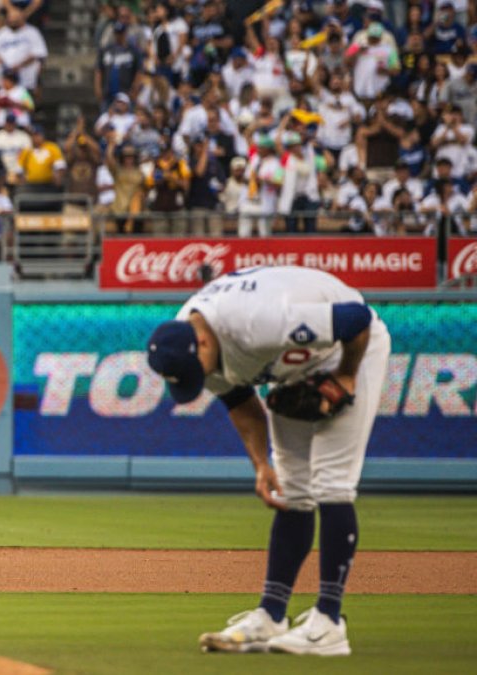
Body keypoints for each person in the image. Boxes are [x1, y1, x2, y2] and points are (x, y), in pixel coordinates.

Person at [147, 266, 390, 657]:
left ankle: (329, 623)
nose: (197, 378)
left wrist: (346, 375)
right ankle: (272, 614)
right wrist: (261, 463)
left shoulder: (257, 322)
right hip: (290, 364)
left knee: (331, 484)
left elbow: (356, 320)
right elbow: (241, 405)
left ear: (204, 342)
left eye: (196, 371)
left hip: (347, 347)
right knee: (293, 489)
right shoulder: (184, 340)